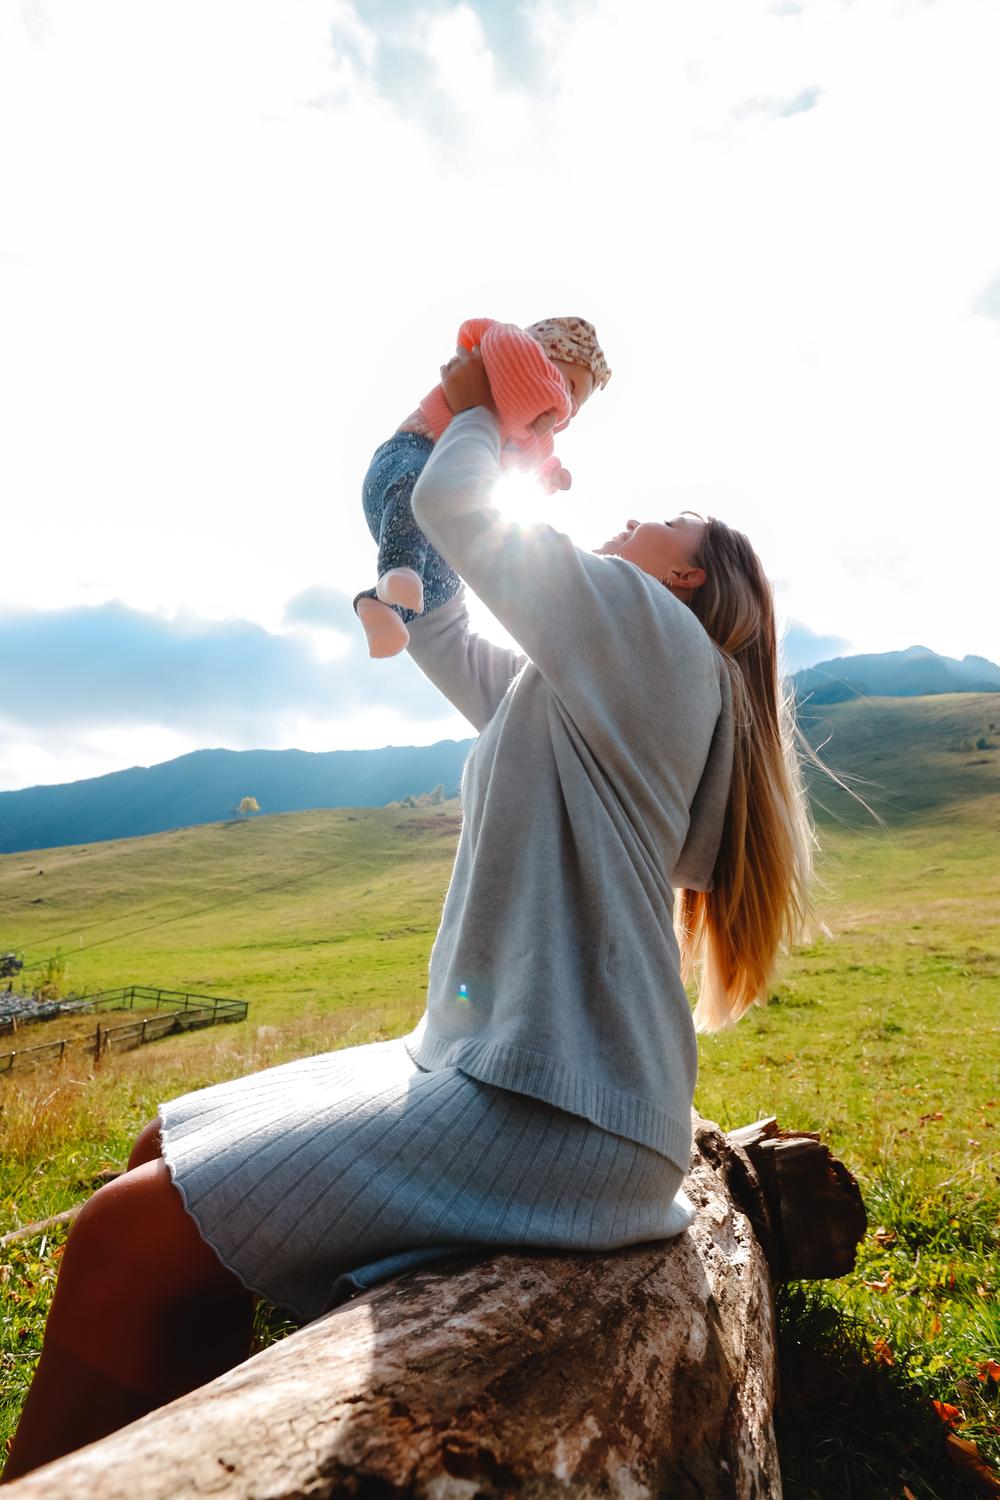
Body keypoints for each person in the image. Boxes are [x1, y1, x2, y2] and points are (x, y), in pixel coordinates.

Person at [1, 348, 812, 1482]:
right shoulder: (593, 683)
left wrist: (500, 411)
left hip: (553, 1110)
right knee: (158, 1155)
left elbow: (452, 505)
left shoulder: (653, 635)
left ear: (687, 581)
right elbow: (437, 623)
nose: (627, 521)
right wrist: (435, 447)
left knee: (118, 1235)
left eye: (659, 521)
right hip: (510, 1077)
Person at [354, 315, 611, 658]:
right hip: (411, 453)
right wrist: (467, 348)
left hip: (440, 505)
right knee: (415, 485)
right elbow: (475, 328)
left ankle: (383, 608)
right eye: (573, 387)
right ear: (544, 355)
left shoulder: (535, 435)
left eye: (579, 406)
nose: (571, 407)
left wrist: (550, 475)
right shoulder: (493, 362)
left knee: (444, 581)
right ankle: (397, 569)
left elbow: (530, 466)